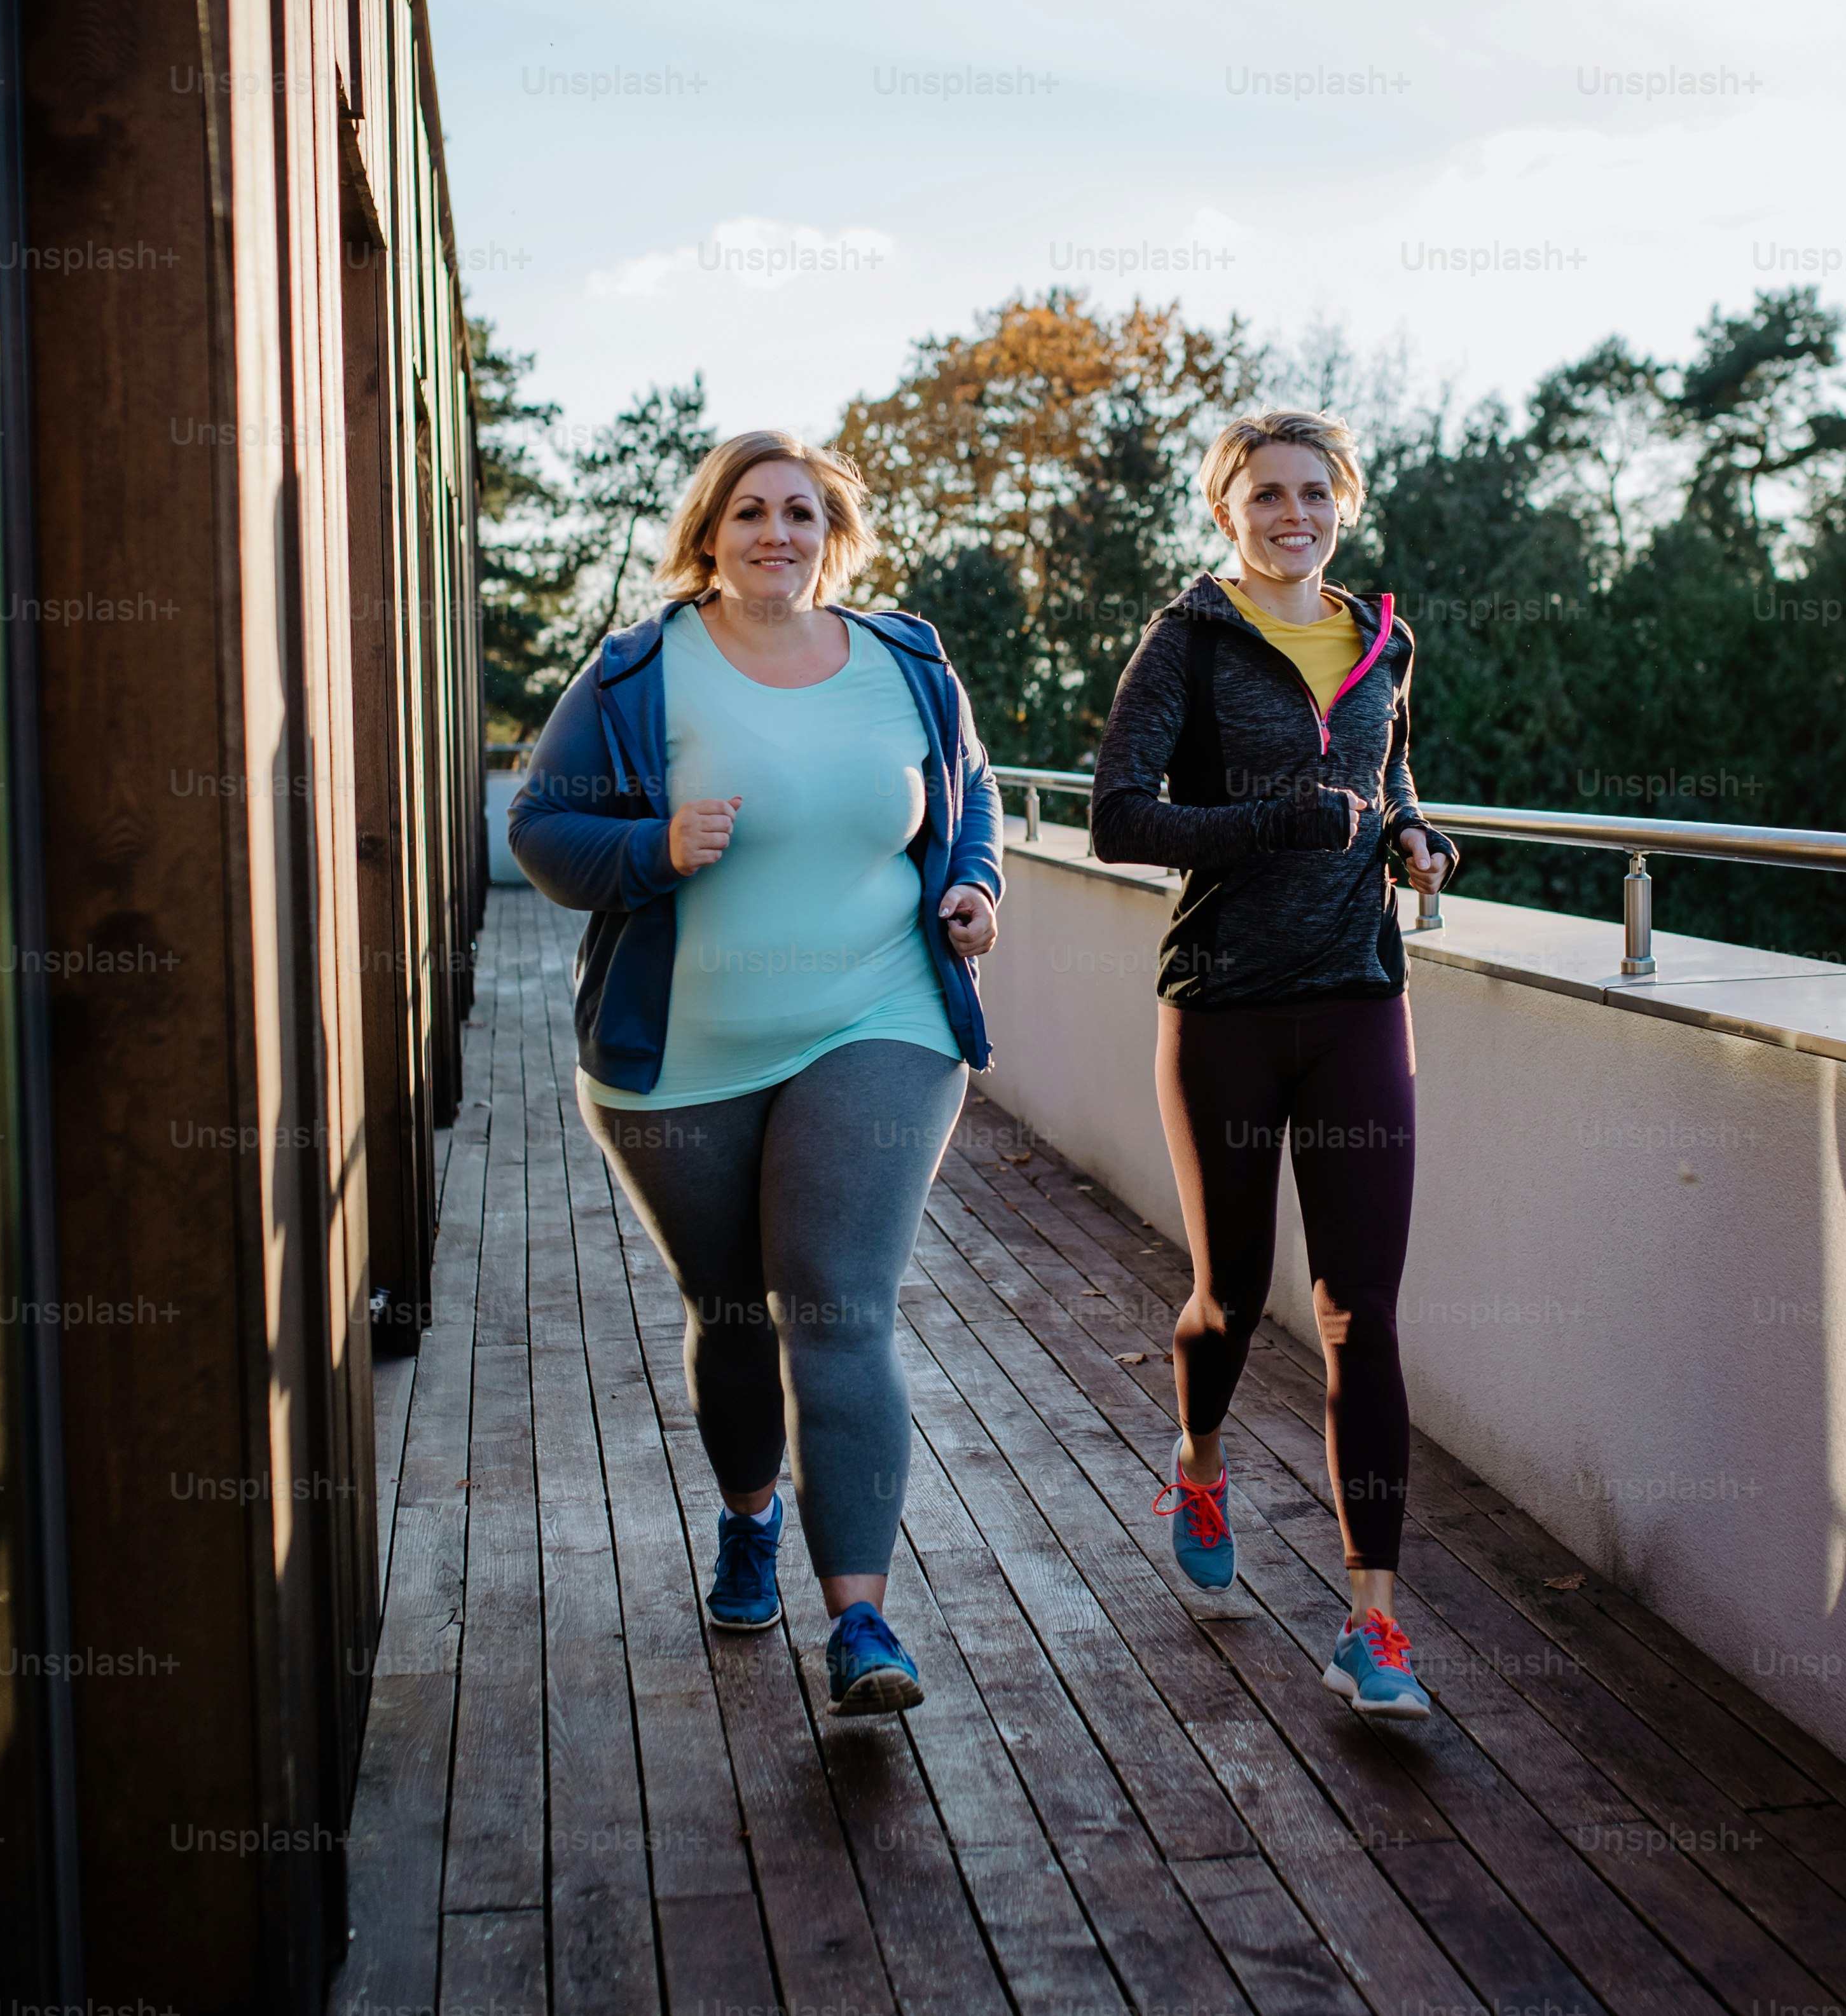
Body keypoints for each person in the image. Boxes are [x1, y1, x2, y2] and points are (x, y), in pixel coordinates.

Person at [506, 429, 1001, 1717]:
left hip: (881, 1017)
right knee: (732, 1314)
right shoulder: (636, 670)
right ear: (709, 532)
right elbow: (541, 829)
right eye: (750, 510)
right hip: (682, 1057)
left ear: (832, 532)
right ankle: (747, 1514)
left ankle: (864, 1621)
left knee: (836, 1302)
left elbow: (970, 796)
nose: (776, 530)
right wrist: (656, 849)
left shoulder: (906, 660)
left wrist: (972, 886)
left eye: (799, 510)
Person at [1089, 408, 1458, 1718]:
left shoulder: (1382, 637)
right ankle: (1198, 1458)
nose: (1291, 512)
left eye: (1313, 491)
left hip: (1360, 994)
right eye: (1265, 493)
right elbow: (1117, 816)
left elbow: (1390, 771)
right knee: (1230, 1296)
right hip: (1225, 1005)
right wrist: (1268, 824)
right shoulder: (1188, 637)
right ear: (1225, 508)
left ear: (1342, 504)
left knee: (1362, 1310)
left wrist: (1415, 838)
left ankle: (1373, 1625)